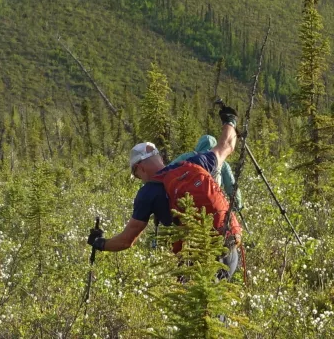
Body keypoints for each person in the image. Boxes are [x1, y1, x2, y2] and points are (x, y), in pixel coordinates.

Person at [87, 104, 242, 279]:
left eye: (137, 175)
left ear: (140, 168)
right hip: (228, 247)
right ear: (159, 158)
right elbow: (227, 145)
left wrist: (99, 243)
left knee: (195, 304)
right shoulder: (196, 162)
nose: (140, 179)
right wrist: (230, 120)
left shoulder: (148, 193)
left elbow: (126, 240)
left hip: (198, 259)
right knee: (217, 301)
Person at [173, 134, 243, 211]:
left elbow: (168, 170)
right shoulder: (221, 162)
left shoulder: (187, 156)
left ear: (199, 145)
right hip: (213, 202)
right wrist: (237, 204)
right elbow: (231, 184)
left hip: (188, 204)